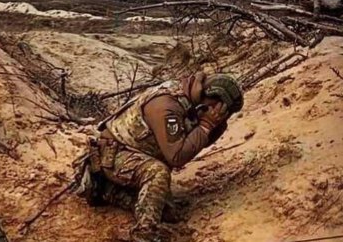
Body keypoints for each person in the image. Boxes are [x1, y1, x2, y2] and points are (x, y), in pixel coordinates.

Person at [75, 72, 244, 242]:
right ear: (208, 100)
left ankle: (108, 191)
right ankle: (145, 232)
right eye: (218, 109)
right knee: (158, 173)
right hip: (113, 155)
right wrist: (206, 126)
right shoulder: (168, 106)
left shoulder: (189, 100)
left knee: (168, 212)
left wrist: (212, 127)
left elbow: (192, 145)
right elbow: (177, 157)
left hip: (134, 154)